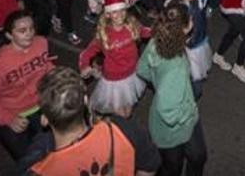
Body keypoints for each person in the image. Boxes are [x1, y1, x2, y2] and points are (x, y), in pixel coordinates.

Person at [22, 67, 160, 176]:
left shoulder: (39, 169)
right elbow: (150, 167)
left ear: (44, 120)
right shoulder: (123, 129)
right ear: (86, 102)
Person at [136, 6, 207, 176]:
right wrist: (189, 112)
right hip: (173, 132)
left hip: (163, 125)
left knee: (198, 157)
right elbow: (169, 112)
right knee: (172, 169)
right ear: (186, 27)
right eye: (189, 19)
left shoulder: (157, 40)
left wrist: (160, 85)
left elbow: (142, 69)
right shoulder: (177, 67)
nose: (192, 20)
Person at [0, 10, 54, 159]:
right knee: (29, 160)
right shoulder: (0, 64)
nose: (29, 34)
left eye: (31, 28)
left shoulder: (41, 43)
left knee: (53, 152)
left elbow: (48, 67)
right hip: (15, 114)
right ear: (9, 35)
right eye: (22, 30)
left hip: (41, 106)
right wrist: (8, 119)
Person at [78, 0, 148, 118]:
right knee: (125, 113)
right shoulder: (104, 35)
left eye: (122, 10)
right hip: (114, 79)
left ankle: (114, 120)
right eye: (115, 12)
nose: (120, 15)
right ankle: (103, 117)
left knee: (128, 108)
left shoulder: (132, 26)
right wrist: (84, 66)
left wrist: (160, 30)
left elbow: (145, 32)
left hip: (132, 73)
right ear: (108, 14)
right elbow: (86, 53)